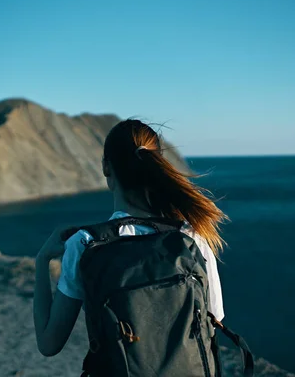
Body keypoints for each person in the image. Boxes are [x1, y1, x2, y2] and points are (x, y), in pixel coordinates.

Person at [34, 119, 229, 374]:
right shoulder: (191, 237)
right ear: (157, 165)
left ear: (106, 168)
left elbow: (49, 344)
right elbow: (212, 324)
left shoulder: (86, 244)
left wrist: (42, 262)